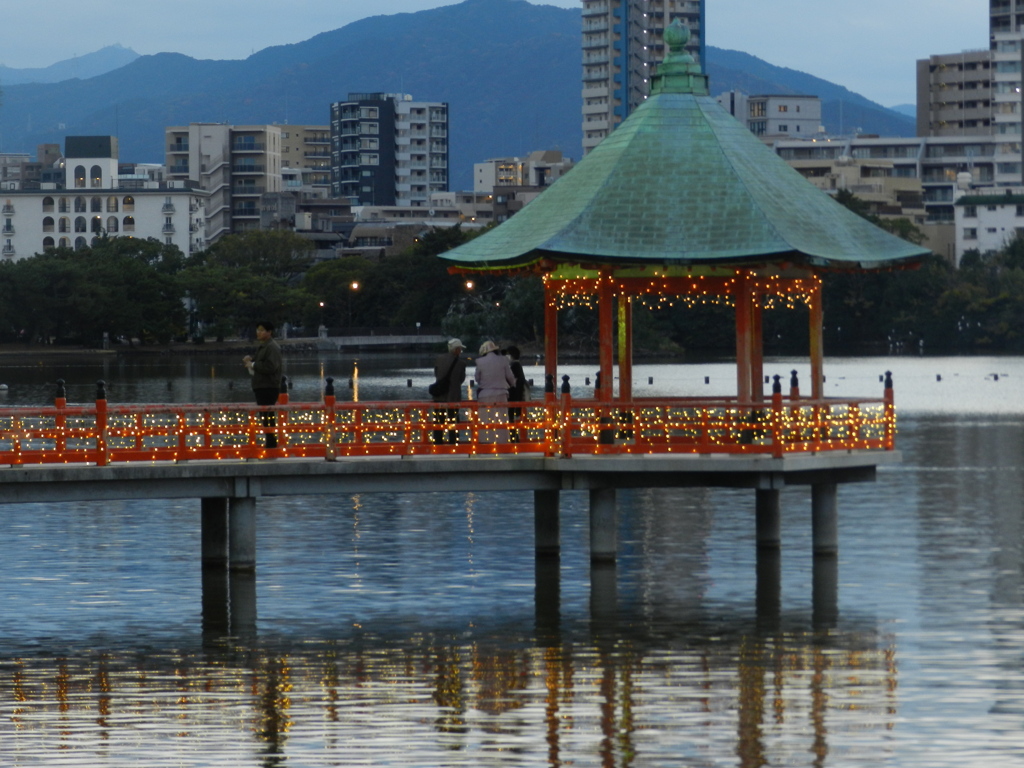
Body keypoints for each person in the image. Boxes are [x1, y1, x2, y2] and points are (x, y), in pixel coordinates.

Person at [242, 321, 283, 449]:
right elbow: (261, 364)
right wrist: (251, 361)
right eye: (258, 330)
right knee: (265, 416)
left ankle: (271, 443)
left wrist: (253, 365)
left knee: (267, 415)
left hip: (268, 386)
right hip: (262, 386)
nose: (258, 332)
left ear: (269, 332)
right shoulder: (265, 346)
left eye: (261, 330)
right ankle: (270, 442)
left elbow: (271, 367)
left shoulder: (272, 347)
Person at [474, 340, 516, 443]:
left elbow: (477, 378)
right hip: (501, 393)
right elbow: (510, 377)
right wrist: (513, 385)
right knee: (501, 419)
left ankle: (485, 441)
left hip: (485, 394)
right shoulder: (503, 360)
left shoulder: (479, 362)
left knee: (486, 419)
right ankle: (502, 441)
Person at [431, 338, 467, 444]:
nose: (460, 351)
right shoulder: (461, 363)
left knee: (438, 419)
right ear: (456, 350)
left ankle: (438, 441)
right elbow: (461, 379)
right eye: (460, 349)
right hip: (453, 396)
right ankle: (453, 440)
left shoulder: (439, 359)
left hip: (439, 394)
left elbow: (437, 375)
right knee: (453, 419)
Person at [505, 345, 528, 442]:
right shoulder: (517, 366)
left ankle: (513, 439)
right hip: (515, 396)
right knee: (510, 419)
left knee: (510, 419)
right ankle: (514, 438)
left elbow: (514, 383)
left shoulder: (514, 366)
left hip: (513, 396)